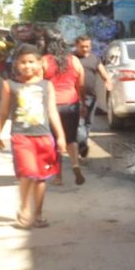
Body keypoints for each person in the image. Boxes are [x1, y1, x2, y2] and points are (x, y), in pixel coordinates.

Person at [0, 44, 64, 229]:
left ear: (40, 63)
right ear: (16, 64)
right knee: (27, 173)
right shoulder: (10, 85)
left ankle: (38, 213)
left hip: (44, 137)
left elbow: (52, 112)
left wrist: (61, 136)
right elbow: (3, 112)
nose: (27, 66)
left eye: (31, 62)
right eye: (23, 62)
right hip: (21, 137)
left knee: (41, 177)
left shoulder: (46, 85)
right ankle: (25, 209)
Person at [43, 36, 86, 186]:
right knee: (71, 139)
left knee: (55, 141)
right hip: (72, 103)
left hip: (52, 106)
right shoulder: (74, 60)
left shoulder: (44, 61)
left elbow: (38, 84)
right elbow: (81, 84)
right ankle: (75, 165)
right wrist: (83, 103)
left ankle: (58, 177)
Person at [73, 35, 112, 157]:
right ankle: (83, 146)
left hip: (91, 96)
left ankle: (82, 143)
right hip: (76, 96)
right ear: (76, 46)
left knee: (88, 122)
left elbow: (103, 73)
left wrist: (108, 82)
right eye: (82, 47)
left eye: (87, 46)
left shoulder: (95, 58)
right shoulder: (72, 59)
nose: (85, 49)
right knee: (80, 123)